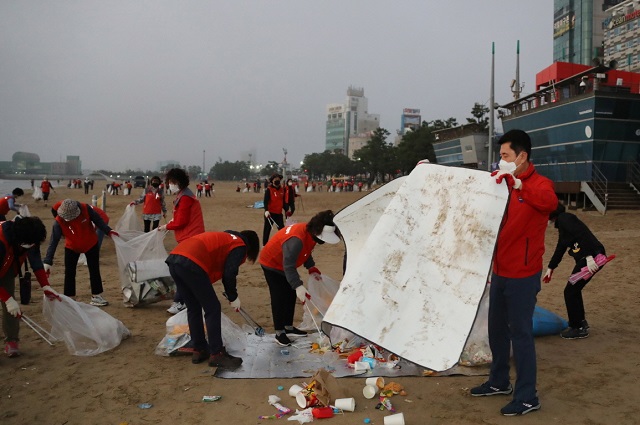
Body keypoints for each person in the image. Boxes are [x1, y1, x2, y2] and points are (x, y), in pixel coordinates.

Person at [470, 129, 557, 416]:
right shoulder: (501, 185)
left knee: (520, 335)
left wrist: (519, 183)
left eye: (505, 156)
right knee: (496, 330)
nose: (499, 161)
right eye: (499, 156)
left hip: (524, 273)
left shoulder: (540, 184)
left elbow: (549, 204)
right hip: (501, 271)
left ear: (522, 157)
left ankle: (528, 396)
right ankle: (498, 381)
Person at [166, 229, 259, 368]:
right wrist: (233, 297)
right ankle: (216, 354)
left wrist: (230, 294)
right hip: (191, 262)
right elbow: (229, 273)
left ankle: (199, 349)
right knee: (213, 308)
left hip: (175, 259)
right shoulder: (239, 245)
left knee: (193, 307)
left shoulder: (227, 237)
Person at [259, 210, 341, 347]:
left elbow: (306, 251)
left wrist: (311, 267)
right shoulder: (296, 239)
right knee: (279, 296)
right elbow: (289, 265)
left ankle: (288, 327)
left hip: (285, 264)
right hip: (271, 264)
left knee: (290, 294)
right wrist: (298, 285)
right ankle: (280, 333)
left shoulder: (310, 234)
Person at [543, 203, 606, 339]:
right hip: (589, 258)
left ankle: (577, 327)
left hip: (592, 258)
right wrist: (551, 267)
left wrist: (589, 257)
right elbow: (560, 248)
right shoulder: (562, 224)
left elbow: (581, 234)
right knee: (574, 289)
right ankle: (581, 322)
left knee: (570, 291)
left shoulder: (566, 218)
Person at [0, 216, 62, 357]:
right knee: (9, 301)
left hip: (6, 267)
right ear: (19, 240)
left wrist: (45, 286)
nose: (33, 247)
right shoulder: (1, 241)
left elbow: (35, 261)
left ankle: (12, 340)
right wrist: (7, 299)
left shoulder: (30, 236)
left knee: (11, 305)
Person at [43, 199, 119, 306]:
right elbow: (53, 242)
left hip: (91, 243)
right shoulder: (58, 222)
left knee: (94, 270)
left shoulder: (86, 209)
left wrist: (109, 231)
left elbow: (98, 220)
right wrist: (48, 261)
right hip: (71, 246)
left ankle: (96, 296)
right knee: (69, 272)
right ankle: (70, 298)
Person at [159, 168, 205, 314]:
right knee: (184, 271)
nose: (170, 185)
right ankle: (187, 299)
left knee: (180, 271)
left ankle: (180, 301)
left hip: (190, 238)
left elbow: (182, 222)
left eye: (172, 182)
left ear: (179, 182)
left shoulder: (185, 198)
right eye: (169, 182)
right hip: (188, 238)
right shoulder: (182, 195)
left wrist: (167, 225)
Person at [262, 173, 285, 246]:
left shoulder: (282, 190)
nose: (277, 180)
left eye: (278, 179)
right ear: (272, 181)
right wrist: (266, 210)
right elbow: (265, 201)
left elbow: (283, 201)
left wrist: (287, 210)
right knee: (267, 230)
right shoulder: (269, 190)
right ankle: (264, 245)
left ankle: (283, 243)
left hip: (278, 213)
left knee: (282, 229)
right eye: (275, 179)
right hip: (270, 213)